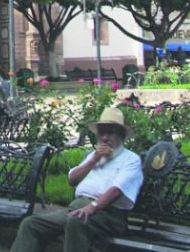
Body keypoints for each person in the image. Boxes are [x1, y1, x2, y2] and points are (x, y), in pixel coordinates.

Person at [10, 107, 143, 252]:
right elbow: (72, 179)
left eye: (110, 132)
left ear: (121, 135)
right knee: (30, 224)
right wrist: (93, 160)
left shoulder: (131, 160)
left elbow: (117, 190)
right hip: (76, 208)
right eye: (102, 132)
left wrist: (91, 207)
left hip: (109, 214)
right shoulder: (93, 156)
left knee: (76, 222)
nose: (104, 137)